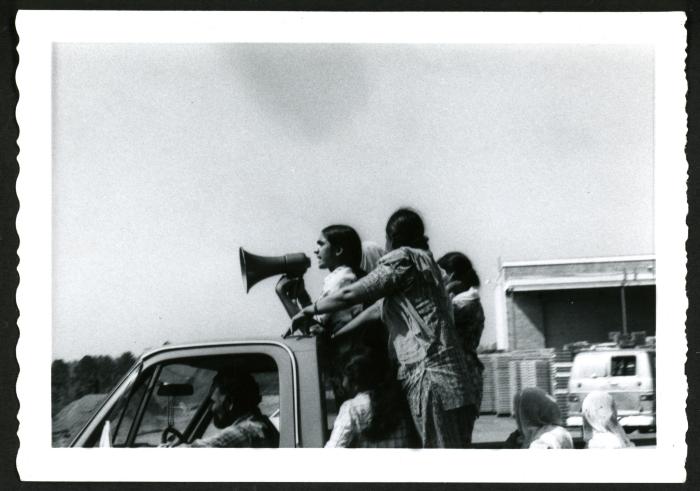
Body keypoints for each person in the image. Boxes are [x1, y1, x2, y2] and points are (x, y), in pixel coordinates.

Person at [293, 208, 473, 448]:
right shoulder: (424, 266)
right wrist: (337, 334)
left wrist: (310, 309)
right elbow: (378, 309)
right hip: (448, 378)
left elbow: (350, 293)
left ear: (392, 238)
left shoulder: (404, 260)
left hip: (430, 379)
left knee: (440, 462)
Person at [437, 251, 485, 445]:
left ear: (452, 275)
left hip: (461, 374)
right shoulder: (465, 300)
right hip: (467, 372)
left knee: (455, 440)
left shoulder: (463, 303)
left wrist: (444, 290)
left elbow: (436, 318)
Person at [326, 350, 419, 448]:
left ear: (354, 382)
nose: (342, 384)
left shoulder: (351, 409)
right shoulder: (399, 402)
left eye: (343, 377)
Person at [177, 370, 279, 448]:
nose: (211, 409)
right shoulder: (262, 423)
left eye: (214, 402)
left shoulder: (246, 430)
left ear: (229, 403)